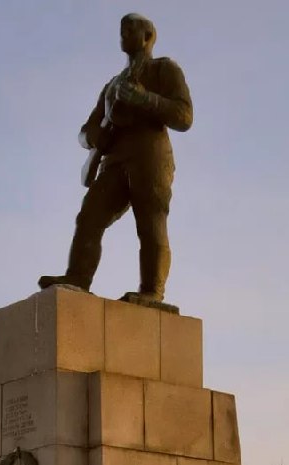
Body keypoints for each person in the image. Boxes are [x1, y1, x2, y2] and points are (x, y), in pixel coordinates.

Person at [38, 13, 192, 304]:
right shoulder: (112, 85)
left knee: (150, 223)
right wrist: (94, 138)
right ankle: (78, 278)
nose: (122, 34)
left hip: (151, 158)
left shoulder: (164, 70)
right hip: (114, 162)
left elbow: (184, 116)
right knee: (89, 217)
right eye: (121, 29)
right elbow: (86, 131)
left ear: (147, 36)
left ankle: (152, 292)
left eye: (129, 29)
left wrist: (144, 99)